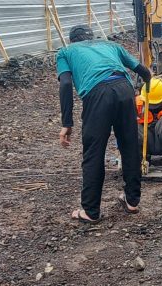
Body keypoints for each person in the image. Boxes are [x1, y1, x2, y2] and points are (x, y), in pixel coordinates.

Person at [57, 25, 152, 223]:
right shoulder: (111, 45)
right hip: (125, 90)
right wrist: (147, 84)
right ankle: (132, 201)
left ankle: (90, 211)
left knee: (94, 152)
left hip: (97, 94)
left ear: (73, 40)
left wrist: (67, 123)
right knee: (129, 145)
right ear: (93, 37)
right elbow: (143, 70)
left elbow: (65, 83)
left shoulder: (66, 51)